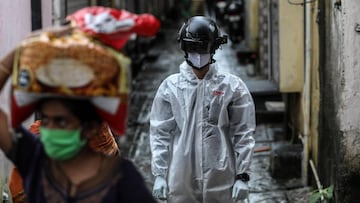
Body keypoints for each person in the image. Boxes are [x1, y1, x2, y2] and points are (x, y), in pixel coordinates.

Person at [0, 27, 157, 203]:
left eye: (61, 122)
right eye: (45, 119)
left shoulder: (122, 179)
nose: (49, 130)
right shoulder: (36, 157)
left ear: (90, 128)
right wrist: (22, 49)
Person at [149, 16, 256, 202]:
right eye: (193, 48)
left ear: (213, 48)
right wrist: (159, 174)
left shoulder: (232, 87)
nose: (198, 54)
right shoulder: (170, 87)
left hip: (221, 174)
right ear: (184, 48)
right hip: (181, 175)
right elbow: (160, 132)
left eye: (203, 48)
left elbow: (244, 132)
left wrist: (242, 176)